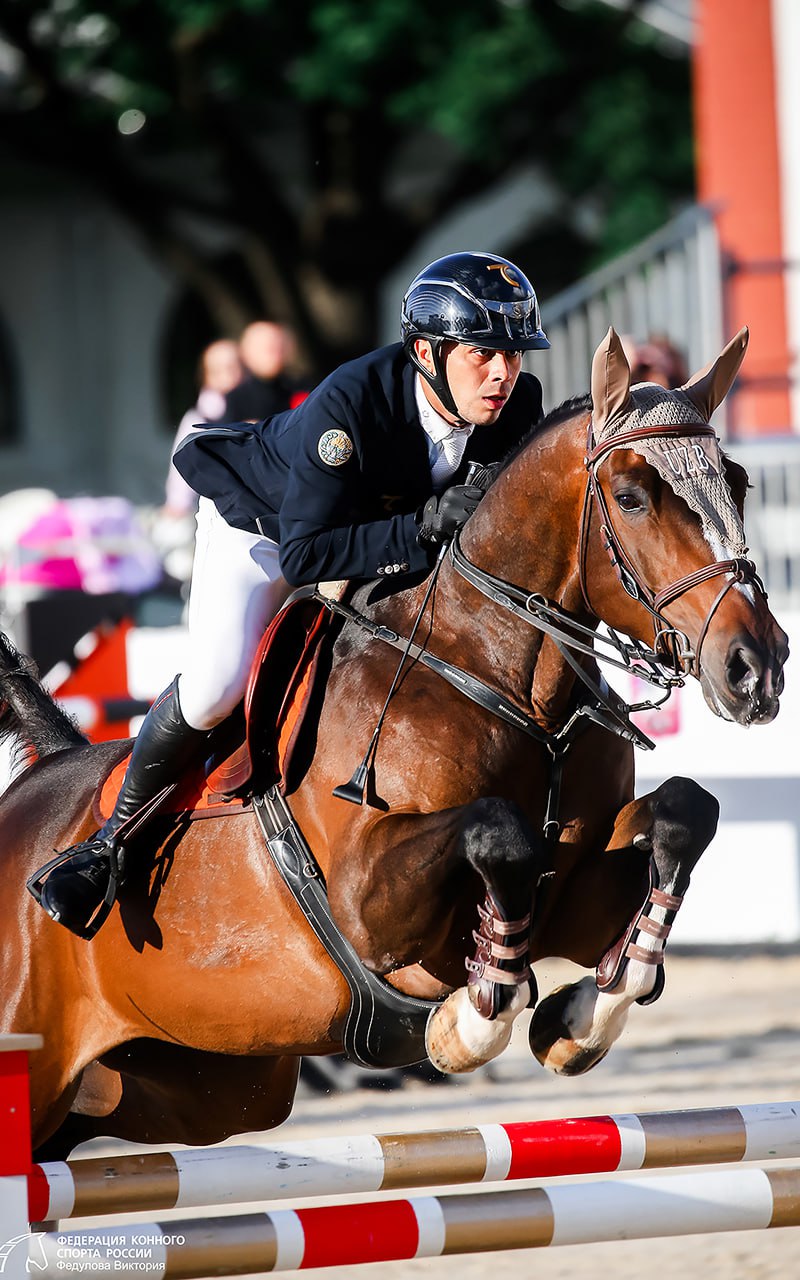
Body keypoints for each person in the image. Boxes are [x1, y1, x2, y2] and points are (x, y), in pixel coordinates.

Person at [29, 251, 550, 939]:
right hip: (265, 532)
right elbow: (307, 555)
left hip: (372, 540)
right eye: (483, 353)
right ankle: (109, 847)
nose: (503, 373)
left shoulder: (519, 405)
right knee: (217, 688)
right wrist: (421, 528)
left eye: (513, 354)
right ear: (426, 351)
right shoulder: (350, 403)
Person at [163, 338, 244, 518]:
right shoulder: (200, 419)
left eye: (236, 367)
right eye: (220, 370)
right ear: (207, 376)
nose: (230, 375)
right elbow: (180, 477)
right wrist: (177, 506)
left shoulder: (257, 407)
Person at [223, 321, 298, 422]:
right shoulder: (235, 400)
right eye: (269, 348)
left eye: (279, 346)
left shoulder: (300, 388)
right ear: (246, 352)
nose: (276, 354)